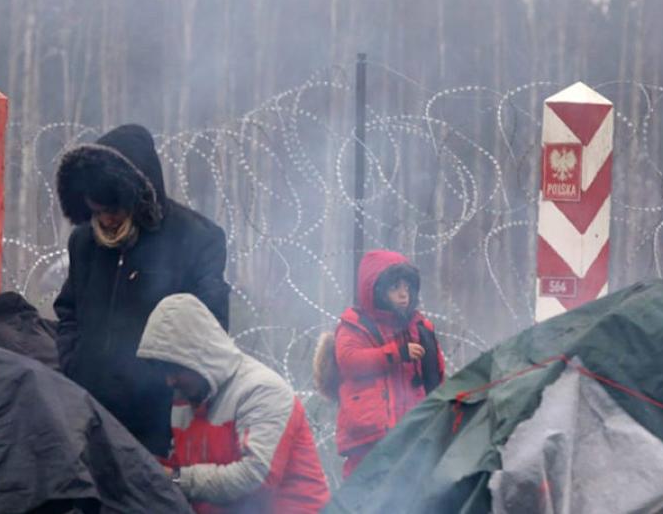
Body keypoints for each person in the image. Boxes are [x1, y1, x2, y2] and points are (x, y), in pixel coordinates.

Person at [54, 124, 231, 457]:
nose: (106, 220)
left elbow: (212, 326)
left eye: (113, 210)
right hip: (89, 416)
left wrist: (170, 386)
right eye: (97, 211)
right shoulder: (83, 242)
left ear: (134, 197)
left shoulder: (196, 239)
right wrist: (74, 364)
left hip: (159, 425)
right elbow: (68, 310)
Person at [138, 293, 330, 513]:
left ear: (199, 355)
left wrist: (175, 478)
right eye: (164, 370)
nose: (170, 381)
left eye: (176, 369)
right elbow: (182, 467)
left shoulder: (261, 390)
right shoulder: (185, 400)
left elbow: (256, 478)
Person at [330, 249, 445, 478]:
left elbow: (435, 378)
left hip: (413, 435)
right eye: (395, 288)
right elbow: (350, 360)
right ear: (376, 290)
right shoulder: (356, 325)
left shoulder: (419, 328)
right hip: (370, 437)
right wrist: (395, 354)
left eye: (407, 288)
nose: (404, 295)